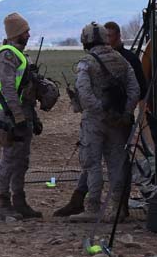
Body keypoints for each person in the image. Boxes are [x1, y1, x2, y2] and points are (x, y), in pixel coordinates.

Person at [54, 18, 147, 217]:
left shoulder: (86, 63)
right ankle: (117, 209)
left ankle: (93, 208)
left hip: (95, 122)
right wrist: (126, 113)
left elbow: (84, 93)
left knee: (92, 163)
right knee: (116, 164)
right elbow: (135, 89)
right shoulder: (121, 60)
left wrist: (98, 110)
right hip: (118, 121)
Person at [0, 12, 43, 221]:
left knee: (22, 161)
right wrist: (19, 118)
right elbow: (9, 90)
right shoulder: (7, 55)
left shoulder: (20, 54)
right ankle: (4, 205)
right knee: (9, 160)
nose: (29, 35)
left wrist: (33, 118)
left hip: (24, 113)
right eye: (25, 31)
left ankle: (20, 202)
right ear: (16, 33)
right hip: (12, 116)